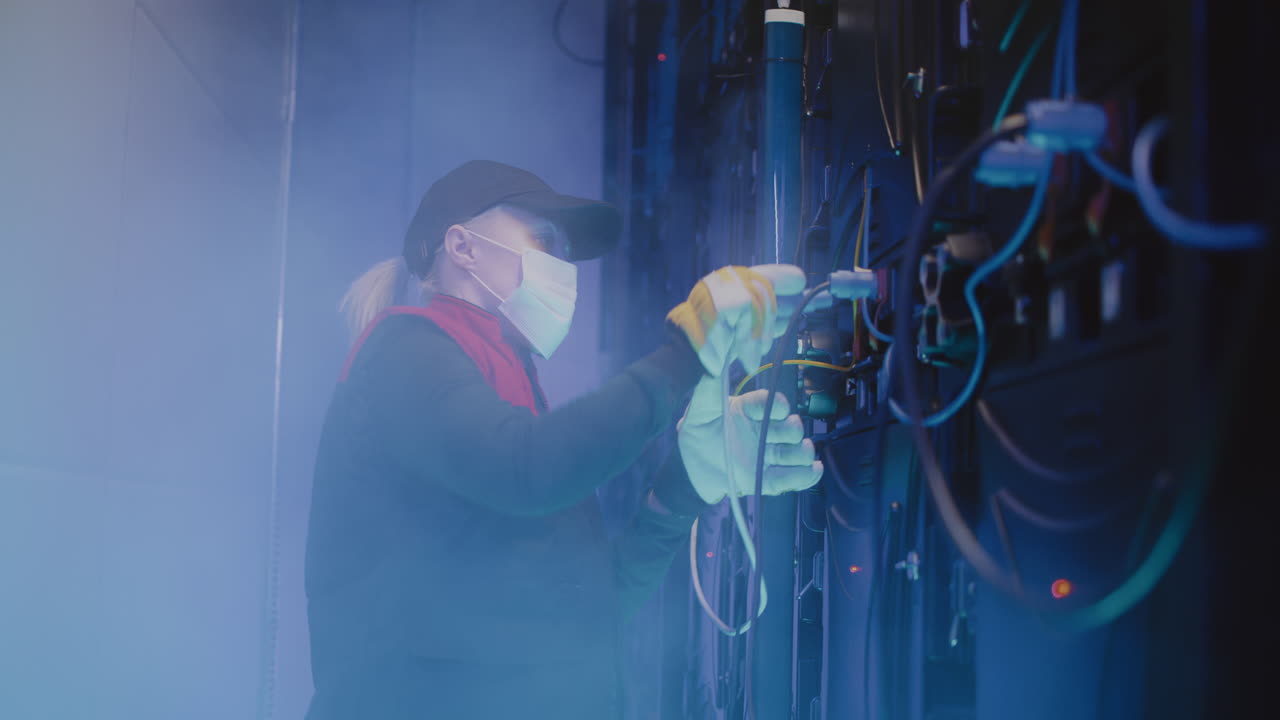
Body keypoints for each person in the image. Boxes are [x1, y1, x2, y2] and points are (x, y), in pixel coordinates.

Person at [304, 160, 822, 719]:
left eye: (565, 251)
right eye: (543, 238)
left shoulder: (508, 384)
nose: (563, 266)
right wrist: (686, 353)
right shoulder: (403, 350)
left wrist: (688, 484)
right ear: (462, 247)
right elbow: (530, 469)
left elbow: (590, 609)